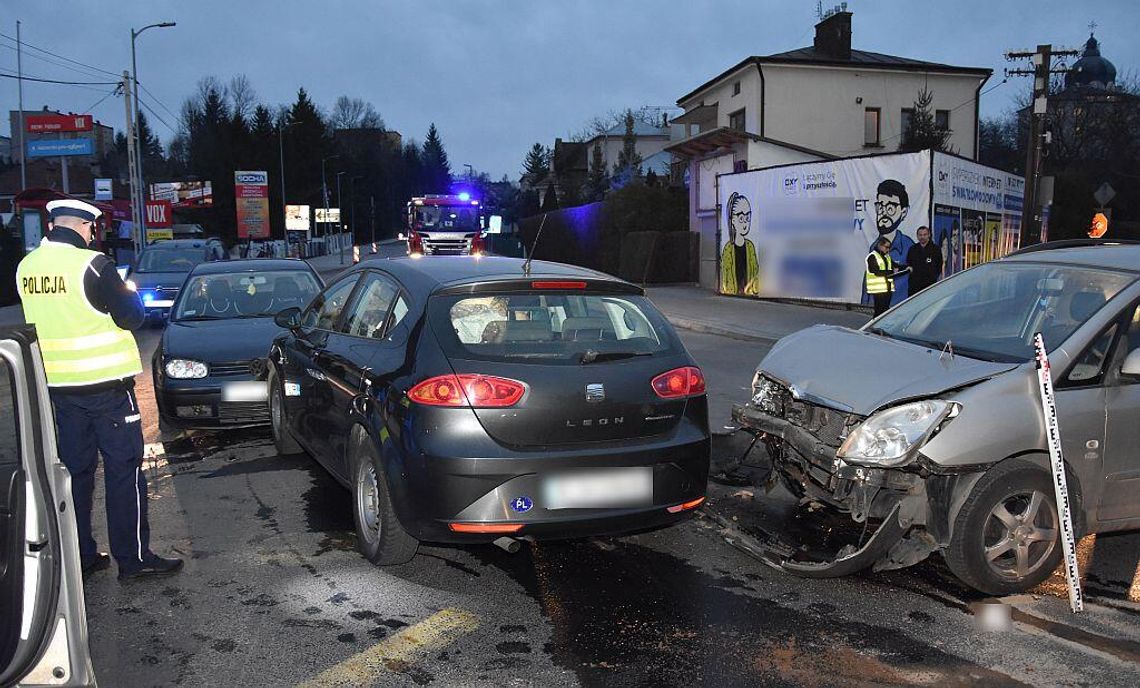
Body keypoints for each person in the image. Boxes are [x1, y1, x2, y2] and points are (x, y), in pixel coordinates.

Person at [15, 199, 183, 582]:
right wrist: (128, 291)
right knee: (124, 472)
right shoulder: (93, 265)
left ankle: (81, 554)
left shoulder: (27, 267)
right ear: (86, 226)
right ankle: (134, 559)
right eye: (94, 228)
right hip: (107, 389)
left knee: (76, 473)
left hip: (59, 389)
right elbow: (133, 317)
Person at [865, 179, 915, 306]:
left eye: (890, 208)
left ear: (903, 212)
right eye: (880, 207)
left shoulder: (908, 246)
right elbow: (872, 275)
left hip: (899, 305)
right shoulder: (874, 250)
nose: (883, 213)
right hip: (879, 295)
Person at [720, 192, 760, 296]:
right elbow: (726, 273)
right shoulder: (728, 249)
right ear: (733, 220)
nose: (745, 223)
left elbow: (755, 271)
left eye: (748, 217)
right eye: (741, 218)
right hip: (733, 292)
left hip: (749, 292)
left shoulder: (750, 247)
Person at [866, 237, 911, 317]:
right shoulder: (872, 256)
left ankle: (881, 327)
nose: (888, 249)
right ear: (880, 245)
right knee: (879, 311)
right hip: (878, 289)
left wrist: (906, 267)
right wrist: (892, 271)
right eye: (886, 247)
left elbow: (896, 266)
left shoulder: (887, 257)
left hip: (887, 288)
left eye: (889, 247)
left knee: (885, 310)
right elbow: (876, 271)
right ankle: (874, 327)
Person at [905, 225, 943, 297]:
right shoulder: (913, 249)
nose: (922, 237)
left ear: (929, 235)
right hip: (914, 285)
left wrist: (934, 276)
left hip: (929, 285)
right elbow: (908, 263)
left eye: (924, 235)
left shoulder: (935, 249)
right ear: (917, 236)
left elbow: (939, 265)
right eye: (920, 235)